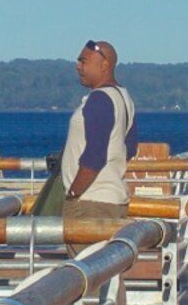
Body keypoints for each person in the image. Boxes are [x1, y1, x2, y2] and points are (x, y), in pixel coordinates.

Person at [38, 40, 137, 215]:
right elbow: (129, 149)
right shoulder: (123, 97)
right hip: (114, 199)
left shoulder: (99, 99)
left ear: (104, 65)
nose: (78, 67)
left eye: (83, 61)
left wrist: (73, 194)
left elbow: (95, 156)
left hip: (91, 202)